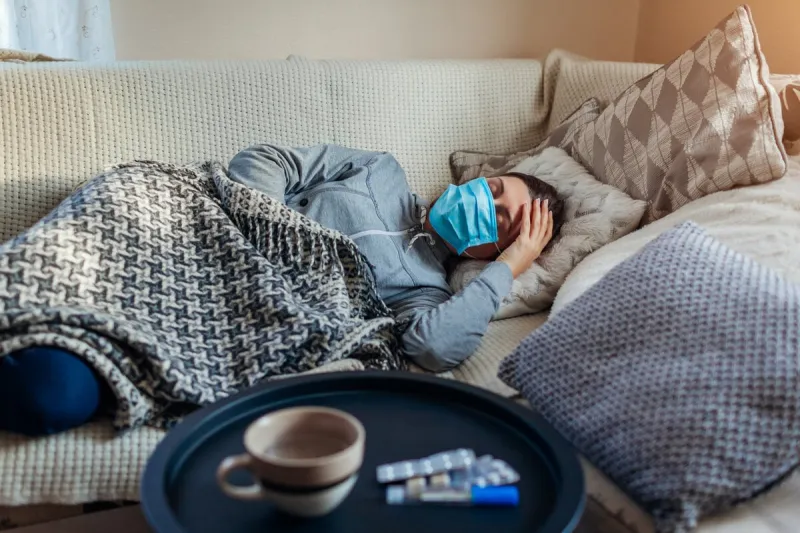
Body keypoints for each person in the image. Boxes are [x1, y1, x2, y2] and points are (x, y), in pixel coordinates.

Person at [0, 144, 564, 436]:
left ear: (490, 252)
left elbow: (434, 348)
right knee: (53, 266)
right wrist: (270, 227)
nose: (484, 207)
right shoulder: (379, 170)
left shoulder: (425, 288)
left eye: (504, 225)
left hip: (224, 310)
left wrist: (513, 266)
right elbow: (265, 161)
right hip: (185, 225)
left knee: (51, 397)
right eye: (492, 190)